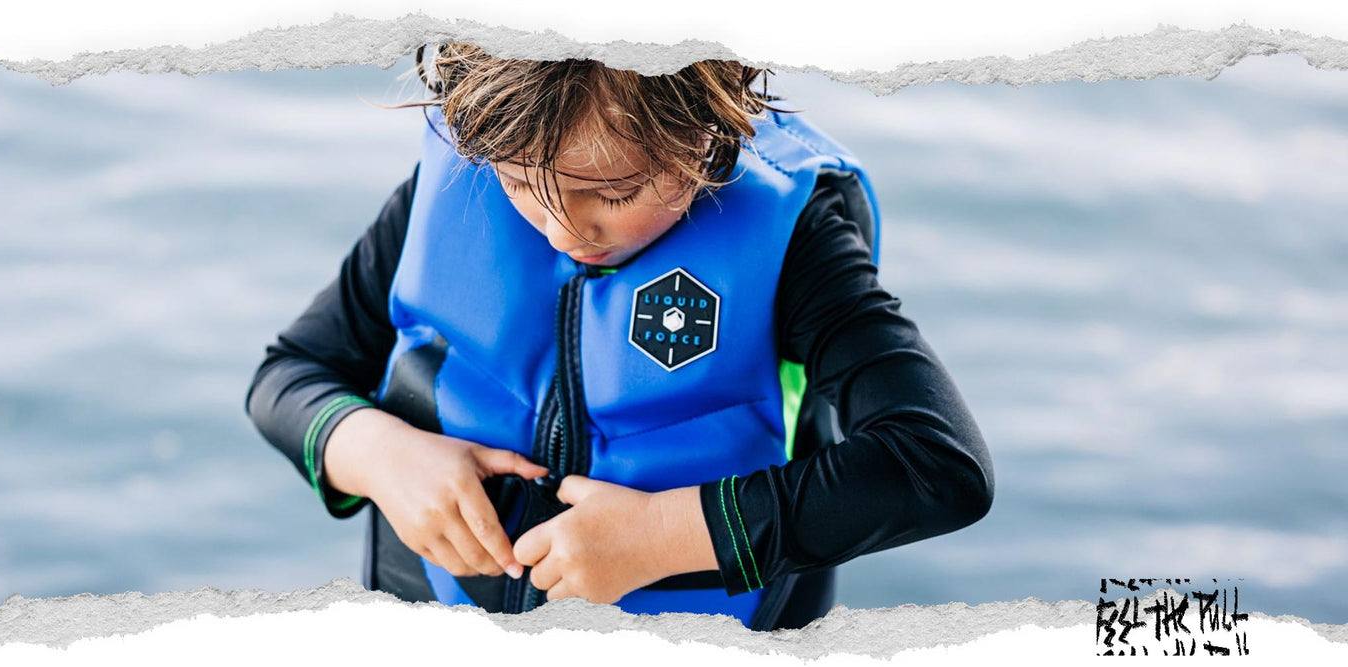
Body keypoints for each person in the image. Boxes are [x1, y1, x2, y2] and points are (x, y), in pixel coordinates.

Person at [246, 42, 994, 630]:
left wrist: (661, 536)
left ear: (707, 129)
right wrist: (377, 454)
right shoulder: (453, 180)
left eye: (614, 192)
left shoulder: (794, 240)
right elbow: (289, 376)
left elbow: (938, 465)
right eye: (517, 183)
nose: (564, 231)